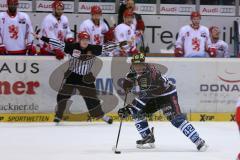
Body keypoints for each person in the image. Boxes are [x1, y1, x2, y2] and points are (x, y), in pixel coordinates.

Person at [118, 52, 208, 151]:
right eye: (136, 65)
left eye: (141, 64)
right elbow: (128, 86)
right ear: (132, 65)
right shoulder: (133, 71)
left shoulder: (147, 77)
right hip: (153, 96)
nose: (138, 67)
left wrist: (128, 110)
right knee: (138, 114)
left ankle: (198, 140)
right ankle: (148, 138)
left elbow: (143, 99)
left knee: (176, 119)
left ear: (144, 64)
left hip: (167, 96)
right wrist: (127, 83)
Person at [32, 31, 125, 124]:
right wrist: (42, 37)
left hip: (86, 77)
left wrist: (119, 44)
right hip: (72, 76)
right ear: (79, 40)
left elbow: (106, 48)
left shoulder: (93, 48)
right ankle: (58, 115)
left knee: (92, 99)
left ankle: (100, 115)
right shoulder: (72, 47)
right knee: (62, 96)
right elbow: (58, 44)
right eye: (83, 40)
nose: (85, 42)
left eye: (87, 40)